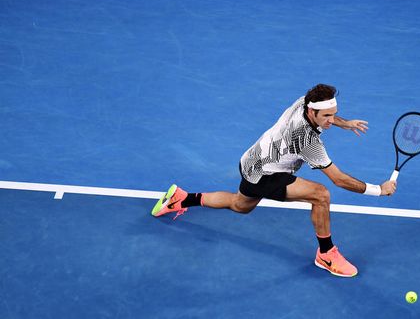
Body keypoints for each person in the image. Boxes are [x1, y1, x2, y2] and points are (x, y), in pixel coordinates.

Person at [151, 83, 397, 277]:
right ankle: (326, 254)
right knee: (321, 194)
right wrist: (379, 190)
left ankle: (182, 198)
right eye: (327, 116)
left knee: (240, 205)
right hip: (266, 174)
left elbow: (327, 115)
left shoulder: (304, 102)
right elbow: (339, 180)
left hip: (252, 160)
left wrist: (345, 124)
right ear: (311, 111)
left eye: (335, 115)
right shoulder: (307, 140)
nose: (331, 120)